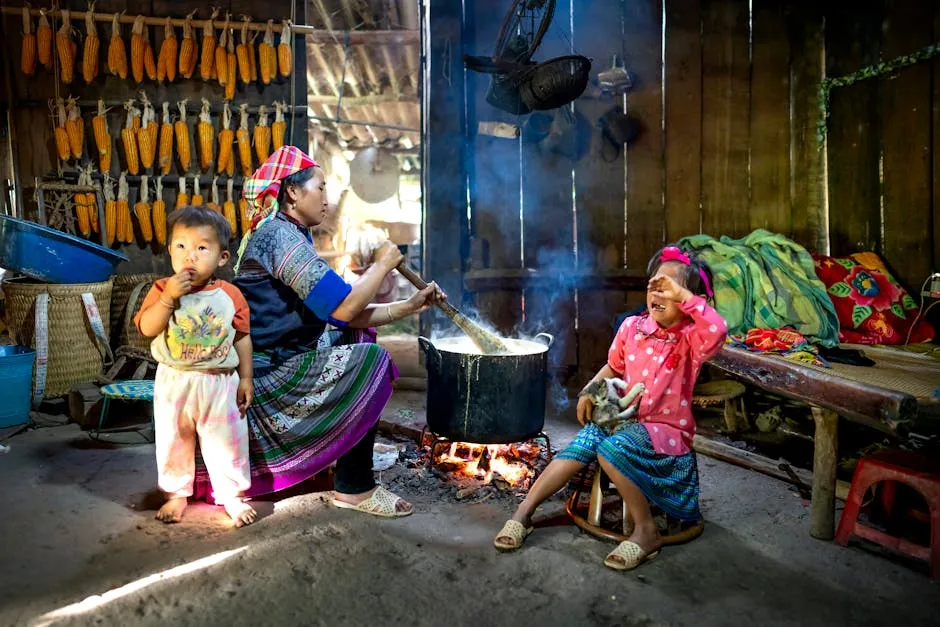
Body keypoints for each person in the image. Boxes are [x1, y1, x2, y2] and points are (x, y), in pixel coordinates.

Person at [190, 145, 444, 517]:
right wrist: (383, 265)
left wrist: (410, 305)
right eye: (320, 187)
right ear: (292, 192)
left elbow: (345, 316)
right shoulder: (279, 236)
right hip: (266, 372)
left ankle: (336, 451)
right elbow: (344, 308)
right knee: (372, 361)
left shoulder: (289, 234)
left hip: (286, 352)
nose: (326, 198)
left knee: (359, 339)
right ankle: (354, 488)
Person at [493, 245, 727, 570]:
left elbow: (718, 329)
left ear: (692, 302)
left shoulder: (691, 339)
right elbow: (613, 368)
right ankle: (524, 513)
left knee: (611, 450)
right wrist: (590, 391)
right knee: (581, 445)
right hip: (624, 419)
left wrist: (685, 298)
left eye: (671, 289)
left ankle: (646, 532)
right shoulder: (632, 328)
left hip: (665, 432)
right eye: (655, 285)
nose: (659, 294)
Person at [135, 206, 257, 528]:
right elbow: (147, 328)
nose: (190, 255)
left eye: (201, 247)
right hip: (174, 380)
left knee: (227, 438)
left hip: (219, 381)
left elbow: (242, 338)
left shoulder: (230, 295)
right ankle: (176, 494)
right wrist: (168, 300)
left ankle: (232, 495)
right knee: (173, 438)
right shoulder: (162, 289)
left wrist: (246, 377)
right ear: (170, 252)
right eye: (181, 246)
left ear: (222, 258)